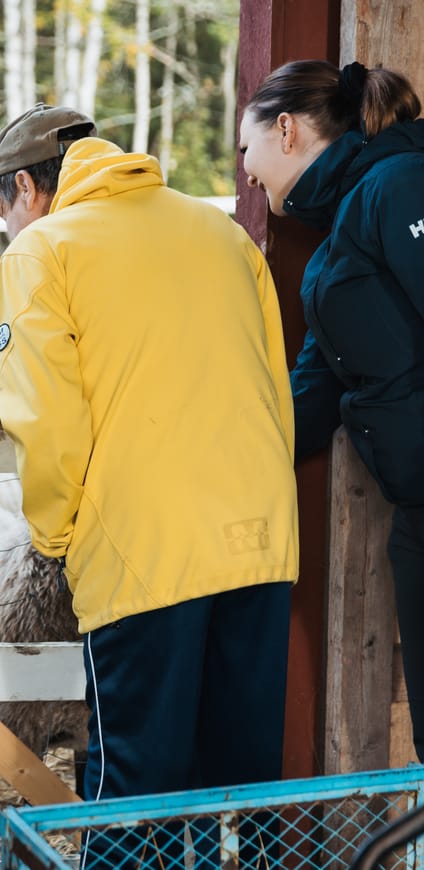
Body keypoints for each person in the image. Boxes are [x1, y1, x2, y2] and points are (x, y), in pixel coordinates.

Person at [0, 103, 300, 862]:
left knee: (133, 786)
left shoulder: (43, 253)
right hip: (259, 542)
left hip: (141, 551)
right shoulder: (222, 233)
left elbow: (45, 420)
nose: (6, 230)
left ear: (23, 186)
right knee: (242, 788)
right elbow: (276, 386)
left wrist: (57, 536)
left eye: (0, 211)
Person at [240, 60, 424, 764]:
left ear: (286, 130)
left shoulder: (398, 185)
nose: (247, 172)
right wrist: (221, 463)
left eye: (247, 147)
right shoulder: (343, 230)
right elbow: (316, 386)